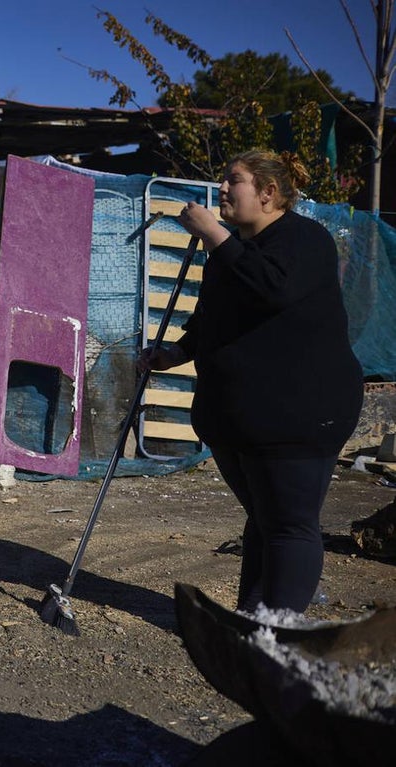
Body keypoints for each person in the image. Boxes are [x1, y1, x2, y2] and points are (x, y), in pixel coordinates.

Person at [139, 149, 363, 613]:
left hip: (300, 416)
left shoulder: (304, 240)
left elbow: (271, 288)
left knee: (289, 525)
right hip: (241, 420)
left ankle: (278, 636)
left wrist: (215, 235)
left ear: (268, 193)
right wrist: (177, 351)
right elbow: (215, 316)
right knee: (264, 520)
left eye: (233, 180)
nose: (221, 188)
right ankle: (252, 622)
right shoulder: (230, 253)